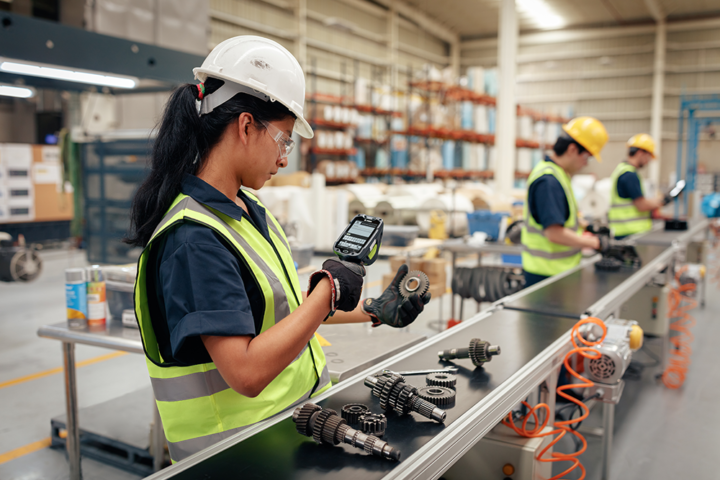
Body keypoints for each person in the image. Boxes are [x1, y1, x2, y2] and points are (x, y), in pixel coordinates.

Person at [127, 36, 430, 463]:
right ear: (247, 126)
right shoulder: (193, 239)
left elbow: (284, 311)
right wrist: (330, 287)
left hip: (293, 429)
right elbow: (246, 373)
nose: (285, 158)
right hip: (233, 456)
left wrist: (374, 309)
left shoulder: (249, 212)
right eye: (285, 140)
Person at [521, 117, 609, 288]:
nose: (586, 163)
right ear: (572, 149)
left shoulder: (558, 174)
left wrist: (585, 226)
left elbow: (559, 218)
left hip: (555, 273)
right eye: (587, 157)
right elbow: (554, 233)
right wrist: (595, 243)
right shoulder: (549, 181)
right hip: (546, 276)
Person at [608, 134, 669, 239]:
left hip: (623, 231)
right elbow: (641, 205)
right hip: (630, 233)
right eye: (648, 156)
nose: (648, 161)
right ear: (641, 153)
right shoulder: (630, 175)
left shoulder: (621, 170)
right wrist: (663, 201)